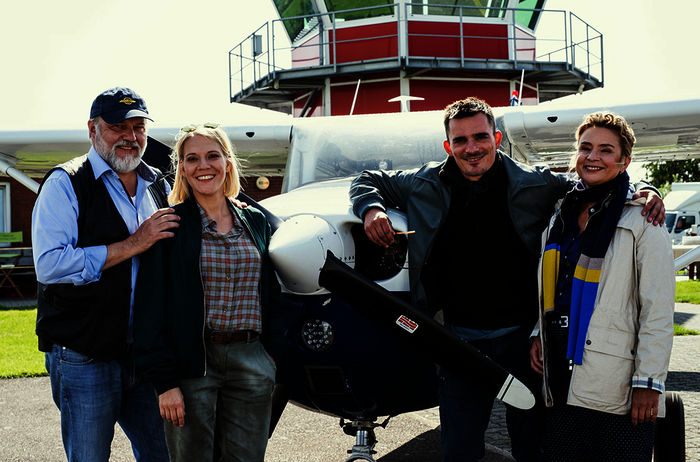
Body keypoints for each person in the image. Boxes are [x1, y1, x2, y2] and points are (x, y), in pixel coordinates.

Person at [348, 97, 666, 462]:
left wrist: (649, 190)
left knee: (531, 446)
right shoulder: (422, 183)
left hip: (522, 344)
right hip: (456, 341)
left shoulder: (535, 183)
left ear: (497, 138)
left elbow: (598, 177)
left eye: (480, 137)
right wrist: (371, 208)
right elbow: (367, 179)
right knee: (458, 449)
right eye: (461, 140)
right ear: (448, 146)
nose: (472, 148)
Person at [32, 87, 177, 461]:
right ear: (92, 130)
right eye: (117, 126)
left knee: (163, 454)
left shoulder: (157, 183)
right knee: (90, 456)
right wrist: (132, 244)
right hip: (85, 353)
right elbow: (50, 265)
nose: (130, 137)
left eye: (138, 126)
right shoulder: (65, 183)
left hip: (143, 352)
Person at [133, 123, 284, 461]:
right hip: (192, 363)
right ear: (183, 170)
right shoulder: (169, 224)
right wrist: (165, 384)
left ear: (228, 162)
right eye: (192, 159)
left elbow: (272, 295)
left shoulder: (255, 220)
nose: (204, 166)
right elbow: (149, 310)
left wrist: (271, 356)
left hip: (251, 359)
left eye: (212, 156)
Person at [529, 112, 674, 462]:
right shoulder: (560, 215)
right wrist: (539, 332)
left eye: (606, 150)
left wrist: (648, 384)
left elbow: (657, 310)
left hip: (616, 383)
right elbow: (553, 284)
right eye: (586, 147)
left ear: (625, 161)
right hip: (561, 374)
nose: (593, 157)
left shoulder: (643, 221)